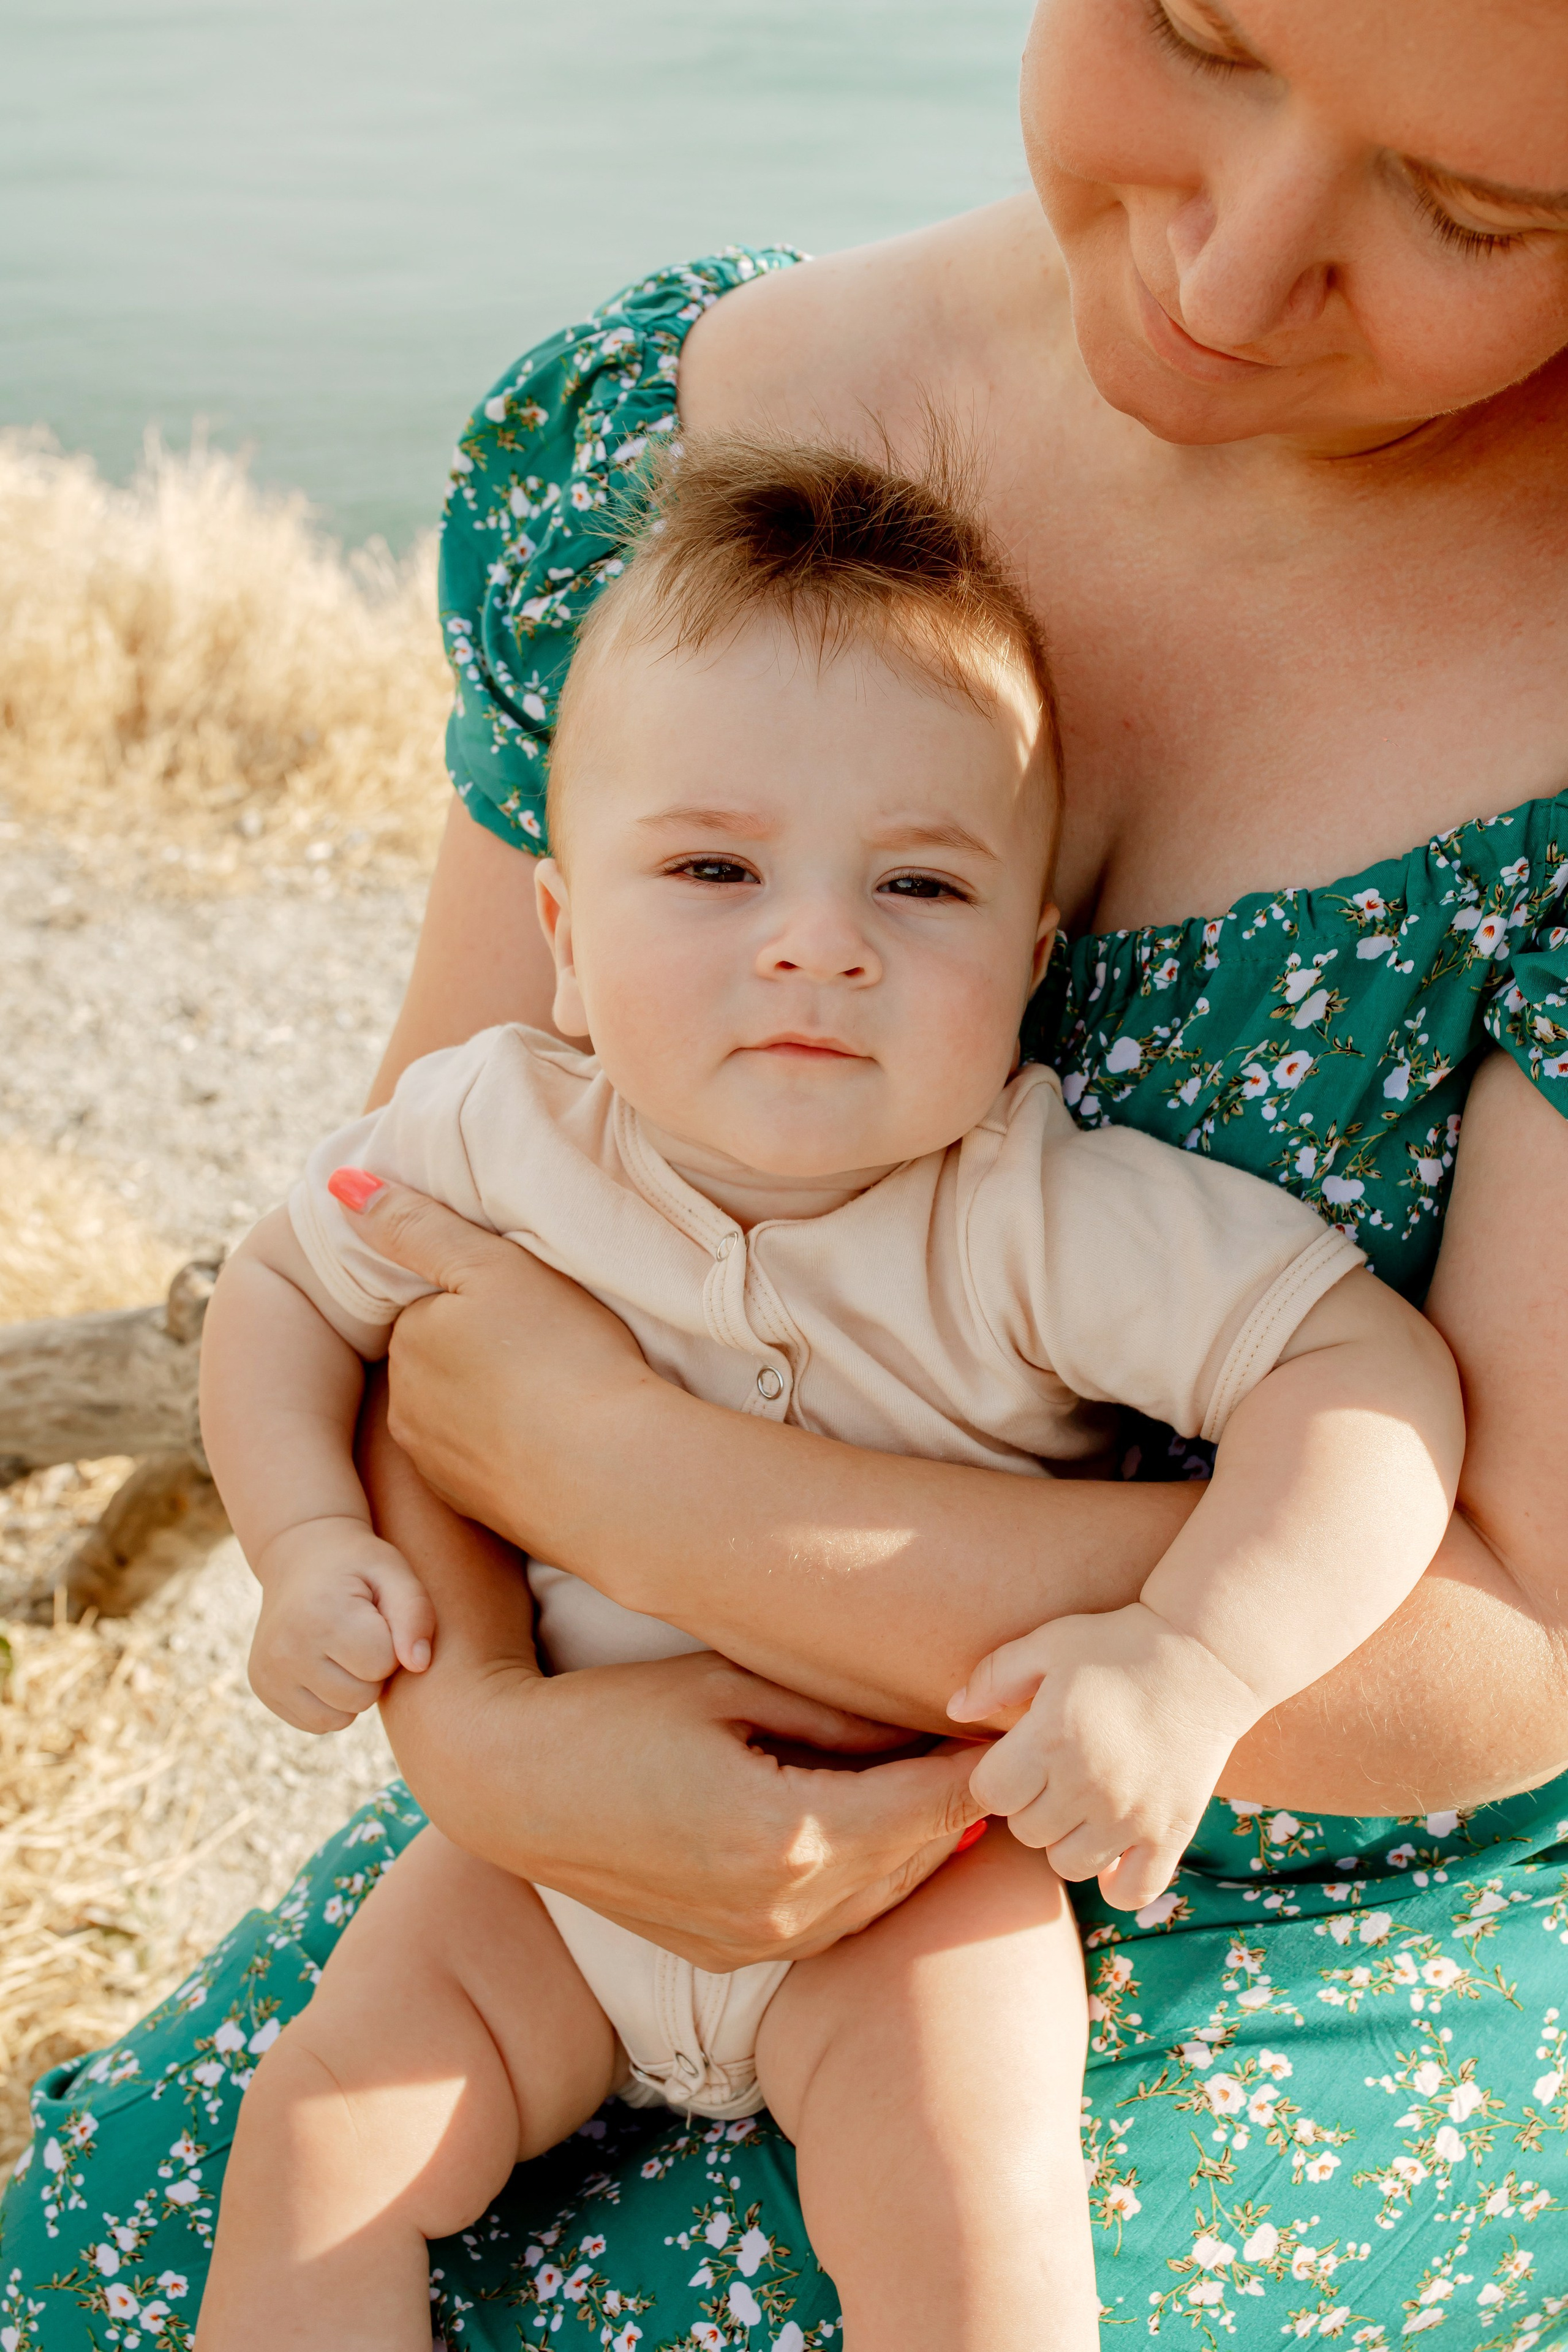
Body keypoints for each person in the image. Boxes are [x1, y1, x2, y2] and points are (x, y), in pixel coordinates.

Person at [4, 4, 1566, 2345]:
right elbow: (383, 1287)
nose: (1234, 274)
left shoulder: (1034, 1217)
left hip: (1228, 1856)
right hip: (558, 1801)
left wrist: (637, 1477)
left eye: (1474, 210)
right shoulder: (659, 463)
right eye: (1195, 30)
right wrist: (486, 1738)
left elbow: (1509, 1628)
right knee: (156, 2228)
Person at [192, 438, 1459, 2352]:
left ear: (1031, 964)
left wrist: (1193, 1660)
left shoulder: (1037, 1214)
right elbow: (288, 1283)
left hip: (916, 1880)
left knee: (973, 2227)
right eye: (712, 868)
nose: (815, 940)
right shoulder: (499, 1131)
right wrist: (299, 1535)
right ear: (560, 934)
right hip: (541, 1872)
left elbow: (1367, 1384)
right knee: (313, 2144)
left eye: (919, 886)